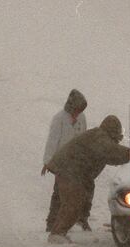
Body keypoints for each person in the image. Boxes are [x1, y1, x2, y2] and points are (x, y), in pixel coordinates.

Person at [44, 115, 130, 244]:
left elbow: (110, 155)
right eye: (117, 137)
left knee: (82, 195)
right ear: (113, 132)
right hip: (70, 170)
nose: (117, 141)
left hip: (74, 172)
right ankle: (57, 233)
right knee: (73, 202)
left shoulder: (98, 137)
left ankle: (76, 224)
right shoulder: (100, 137)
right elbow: (111, 151)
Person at [42, 89, 91, 232]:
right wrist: (48, 162)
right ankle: (51, 222)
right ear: (71, 107)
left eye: (81, 110)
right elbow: (52, 141)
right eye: (76, 110)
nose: (78, 113)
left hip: (78, 162)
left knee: (82, 190)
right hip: (62, 162)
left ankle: (81, 219)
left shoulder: (82, 118)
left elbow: (83, 139)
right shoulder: (59, 119)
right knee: (59, 192)